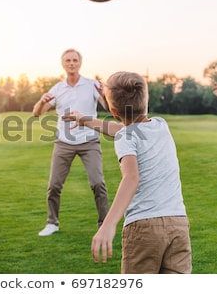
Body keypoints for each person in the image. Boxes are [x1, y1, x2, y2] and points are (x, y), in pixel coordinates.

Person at [63, 71, 192, 273]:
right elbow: (121, 129)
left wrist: (108, 224)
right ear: (146, 101)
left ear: (113, 111)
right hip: (178, 225)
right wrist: (85, 120)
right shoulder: (161, 125)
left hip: (143, 228)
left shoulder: (126, 136)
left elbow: (131, 178)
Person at [32, 48, 111, 237]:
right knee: (54, 186)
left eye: (75, 60)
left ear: (80, 63)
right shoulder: (57, 89)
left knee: (98, 183)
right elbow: (36, 113)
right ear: (63, 64)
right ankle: (52, 223)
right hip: (64, 142)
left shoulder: (92, 85)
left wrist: (106, 94)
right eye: (68, 60)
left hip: (89, 141)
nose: (72, 63)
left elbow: (110, 108)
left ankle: (104, 225)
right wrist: (41, 101)